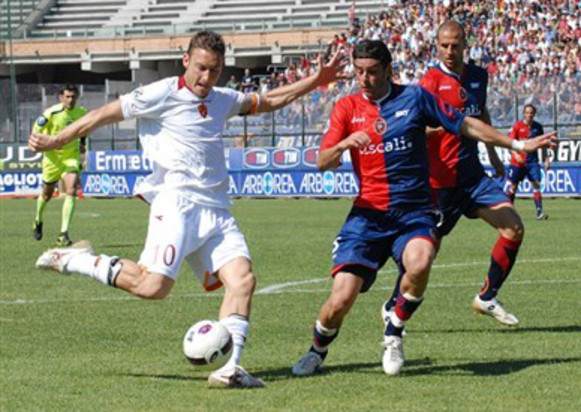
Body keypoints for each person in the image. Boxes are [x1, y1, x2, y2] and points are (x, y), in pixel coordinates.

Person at [29, 30, 346, 389]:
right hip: (176, 203)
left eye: (214, 71)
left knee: (243, 280)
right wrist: (57, 140)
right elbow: (104, 114)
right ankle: (71, 259)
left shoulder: (222, 98)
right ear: (185, 61)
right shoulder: (162, 92)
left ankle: (231, 368)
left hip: (217, 209)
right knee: (153, 287)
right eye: (200, 68)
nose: (206, 78)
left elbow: (269, 99)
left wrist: (316, 81)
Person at [291, 40, 555, 377]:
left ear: (388, 71)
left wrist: (516, 143)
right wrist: (344, 144)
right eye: (359, 72)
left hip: (414, 212)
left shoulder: (414, 98)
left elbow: (467, 124)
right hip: (368, 216)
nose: (364, 79)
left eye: (372, 72)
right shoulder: (347, 108)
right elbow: (322, 162)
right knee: (339, 302)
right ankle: (317, 351)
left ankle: (394, 332)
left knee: (420, 262)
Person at [382, 20, 532, 330]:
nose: (450, 51)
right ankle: (393, 303)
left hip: (473, 178)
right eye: (444, 46)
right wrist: (440, 127)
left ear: (466, 44)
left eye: (456, 45)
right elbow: (413, 128)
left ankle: (487, 297)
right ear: (436, 47)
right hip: (440, 184)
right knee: (425, 253)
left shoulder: (478, 76)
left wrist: (493, 155)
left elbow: (481, 113)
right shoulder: (429, 83)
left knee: (513, 227)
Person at [31, 85, 87, 246]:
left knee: (71, 189)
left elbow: (84, 130)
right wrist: (41, 144)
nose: (70, 100)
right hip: (52, 159)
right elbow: (36, 132)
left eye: (73, 97)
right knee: (47, 195)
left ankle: (63, 234)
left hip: (70, 157)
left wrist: (82, 143)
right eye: (67, 97)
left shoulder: (81, 112)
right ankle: (38, 220)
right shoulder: (51, 113)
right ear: (61, 97)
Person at [505, 104, 551, 219]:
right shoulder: (517, 126)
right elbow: (509, 143)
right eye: (527, 112)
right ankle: (509, 212)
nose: (529, 115)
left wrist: (546, 159)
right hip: (517, 163)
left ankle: (539, 212)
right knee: (513, 187)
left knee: (536, 185)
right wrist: (516, 155)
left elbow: (543, 144)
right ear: (524, 114)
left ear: (534, 114)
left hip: (532, 162)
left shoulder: (538, 127)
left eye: (531, 113)